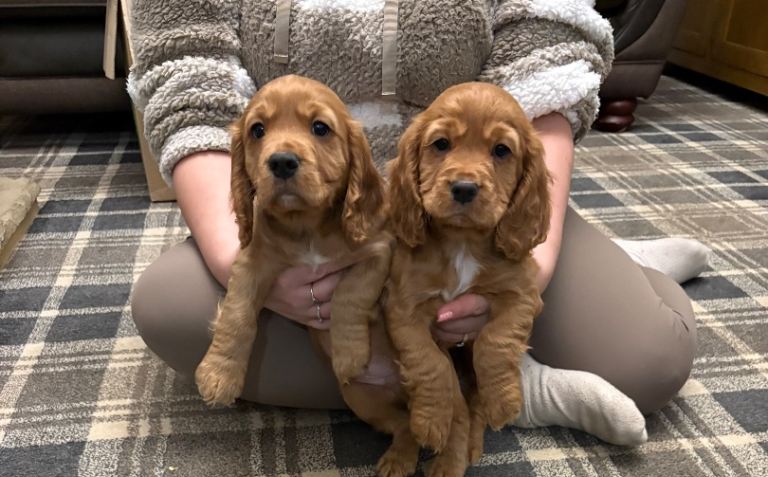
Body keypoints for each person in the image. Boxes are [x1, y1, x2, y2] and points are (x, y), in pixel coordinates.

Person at [128, 0, 707, 447]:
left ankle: (569, 300)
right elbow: (187, 73)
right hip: (306, 217)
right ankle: (483, 385)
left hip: (473, 214)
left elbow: (549, 51)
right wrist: (242, 260)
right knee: (170, 309)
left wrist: (534, 264)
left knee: (650, 361)